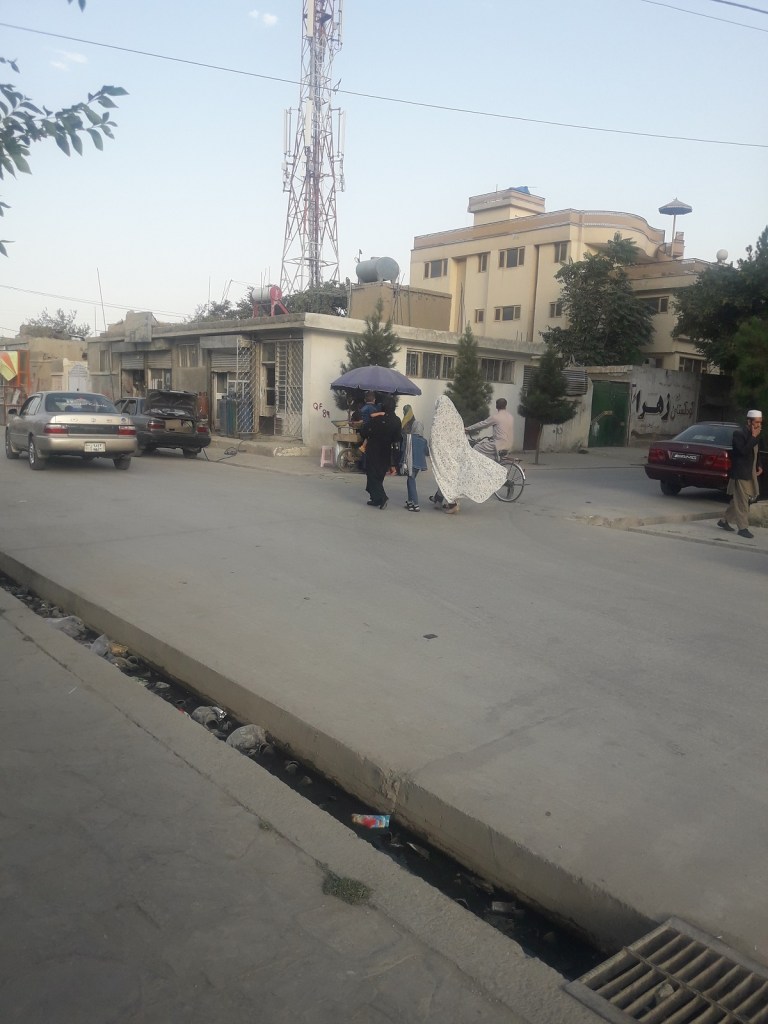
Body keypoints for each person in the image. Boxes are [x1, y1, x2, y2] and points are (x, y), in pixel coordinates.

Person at [428, 396, 507, 514]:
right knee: (448, 476)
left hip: (448, 454)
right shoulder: (456, 418)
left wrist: (437, 451)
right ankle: (438, 500)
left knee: (448, 476)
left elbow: (435, 437)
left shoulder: (439, 419)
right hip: (460, 452)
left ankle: (452, 503)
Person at [718, 409, 763, 539]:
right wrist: (754, 437)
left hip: (750, 472)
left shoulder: (755, 434)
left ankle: (724, 521)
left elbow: (756, 451)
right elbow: (743, 451)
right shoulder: (739, 434)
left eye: (760, 422)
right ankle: (743, 528)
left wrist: (759, 464)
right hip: (741, 472)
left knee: (737, 499)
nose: (759, 425)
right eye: (756, 422)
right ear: (749, 422)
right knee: (743, 501)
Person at [359, 396, 401, 510]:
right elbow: (398, 438)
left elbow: (364, 431)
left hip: (374, 450)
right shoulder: (397, 421)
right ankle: (375, 499)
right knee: (380, 475)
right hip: (386, 451)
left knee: (372, 476)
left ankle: (382, 497)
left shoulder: (377, 419)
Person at [400, 412, 429, 511]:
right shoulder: (424, 441)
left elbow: (403, 450)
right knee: (410, 480)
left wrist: (400, 462)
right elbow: (427, 452)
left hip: (410, 462)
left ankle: (416, 504)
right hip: (419, 465)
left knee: (411, 481)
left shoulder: (409, 438)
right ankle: (410, 502)